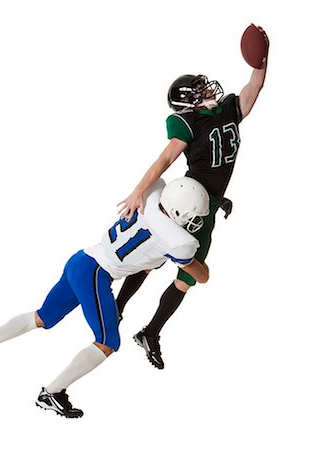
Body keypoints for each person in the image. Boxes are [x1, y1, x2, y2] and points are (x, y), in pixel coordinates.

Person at [0, 176, 210, 418]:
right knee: (107, 342)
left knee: (42, 317)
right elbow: (202, 276)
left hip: (82, 259)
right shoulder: (178, 242)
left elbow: (155, 179)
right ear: (178, 212)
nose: (196, 222)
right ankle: (52, 392)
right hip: (96, 273)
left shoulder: (152, 192)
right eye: (194, 217)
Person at [116, 26, 269, 370]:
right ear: (188, 102)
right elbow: (166, 159)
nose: (207, 90)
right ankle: (119, 308)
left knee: (187, 277)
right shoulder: (187, 123)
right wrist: (139, 191)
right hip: (184, 201)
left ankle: (150, 332)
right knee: (155, 258)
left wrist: (261, 60)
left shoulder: (229, 109)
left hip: (207, 206)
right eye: (199, 90)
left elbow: (255, 85)